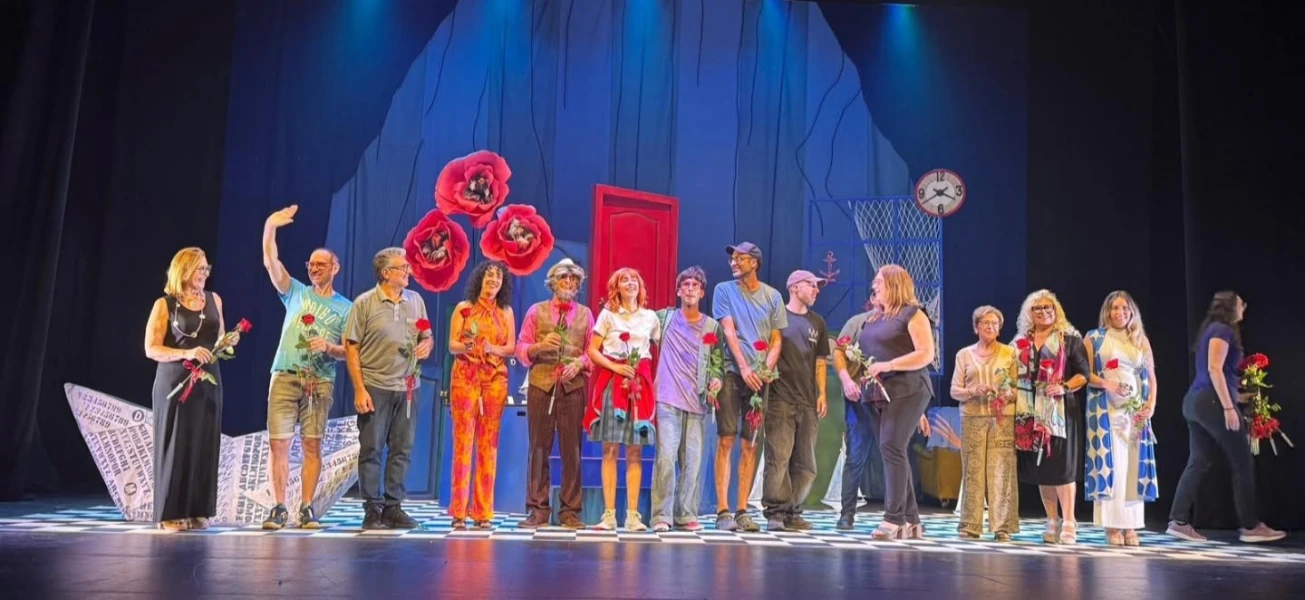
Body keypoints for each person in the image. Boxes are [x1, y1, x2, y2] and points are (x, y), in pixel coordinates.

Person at [259, 206, 352, 530]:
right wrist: (271, 226)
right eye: (310, 264)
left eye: (320, 265)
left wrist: (329, 347)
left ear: (334, 267)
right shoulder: (295, 292)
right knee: (279, 443)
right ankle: (279, 507)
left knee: (312, 443)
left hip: (320, 380)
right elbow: (271, 262)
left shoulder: (345, 307)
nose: (314, 269)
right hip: (285, 374)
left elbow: (349, 353)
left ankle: (307, 507)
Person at [1167, 291, 1286, 543]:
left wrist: (1241, 396)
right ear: (1232, 307)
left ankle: (1178, 520)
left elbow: (1220, 374)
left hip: (1197, 402)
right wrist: (1229, 408)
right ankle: (1250, 527)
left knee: (1199, 461)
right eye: (1241, 302)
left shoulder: (1213, 329)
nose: (1244, 306)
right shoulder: (1223, 330)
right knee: (1242, 461)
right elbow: (1214, 368)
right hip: (1210, 401)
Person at [833, 264, 934, 538]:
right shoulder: (873, 319)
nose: (874, 285)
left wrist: (888, 365)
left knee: (891, 447)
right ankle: (912, 520)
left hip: (910, 388)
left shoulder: (913, 314)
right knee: (893, 449)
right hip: (880, 393)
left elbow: (925, 354)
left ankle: (894, 519)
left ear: (894, 284)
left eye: (879, 281)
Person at [344, 247, 433, 530]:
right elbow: (351, 348)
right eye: (402, 267)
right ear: (386, 273)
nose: (408, 271)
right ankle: (372, 509)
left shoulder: (415, 301)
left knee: (402, 449)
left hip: (408, 388)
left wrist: (426, 345)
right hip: (376, 387)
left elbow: (426, 334)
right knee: (371, 448)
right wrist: (360, 389)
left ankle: (394, 507)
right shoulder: (365, 303)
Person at [144, 247, 225, 531]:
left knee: (204, 442)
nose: (204, 274)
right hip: (175, 382)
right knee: (175, 443)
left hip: (209, 381)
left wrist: (228, 344)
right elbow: (151, 348)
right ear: (184, 270)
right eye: (199, 269)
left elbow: (220, 338)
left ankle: (197, 509)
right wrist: (186, 353)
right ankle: (169, 513)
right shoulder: (165, 305)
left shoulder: (214, 300)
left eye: (206, 269)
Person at [711, 241, 786, 532]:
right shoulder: (723, 290)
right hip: (732, 373)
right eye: (733, 259)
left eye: (740, 259)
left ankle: (742, 509)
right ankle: (722, 511)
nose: (734, 263)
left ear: (754, 263)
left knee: (750, 444)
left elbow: (777, 339)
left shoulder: (773, 296)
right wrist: (743, 366)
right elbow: (729, 330)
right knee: (726, 439)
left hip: (761, 377)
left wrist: (765, 368)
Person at [515, 259, 594, 529]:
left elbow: (591, 352)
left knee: (572, 450)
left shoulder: (586, 314)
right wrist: (539, 346)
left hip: (572, 389)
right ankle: (538, 509)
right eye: (564, 279)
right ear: (553, 282)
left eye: (573, 280)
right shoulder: (536, 312)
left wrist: (579, 364)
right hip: (541, 385)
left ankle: (570, 511)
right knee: (539, 448)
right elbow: (521, 349)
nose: (569, 284)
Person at [584, 268, 661, 530]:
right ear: (616, 287)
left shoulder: (650, 317)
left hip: (639, 387)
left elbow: (661, 349)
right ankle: (608, 514)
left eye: (634, 280)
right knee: (609, 449)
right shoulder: (608, 315)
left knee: (635, 451)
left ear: (640, 287)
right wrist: (616, 367)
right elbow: (592, 351)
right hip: (614, 382)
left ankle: (632, 515)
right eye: (624, 280)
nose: (630, 283)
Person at [1011, 290, 1089, 544]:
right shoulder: (1020, 343)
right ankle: (1052, 519)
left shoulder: (1070, 340)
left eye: (1049, 307)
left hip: (1060, 410)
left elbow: (1083, 375)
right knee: (1041, 468)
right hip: (1029, 411)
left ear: (1056, 311)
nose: (1044, 312)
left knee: (1062, 466)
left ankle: (1069, 520)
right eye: (1038, 308)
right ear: (1029, 313)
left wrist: (1064, 386)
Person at [649, 266, 722, 533]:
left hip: (697, 401)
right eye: (686, 284)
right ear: (679, 290)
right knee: (666, 457)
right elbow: (635, 328)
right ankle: (661, 515)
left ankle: (685, 514)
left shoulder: (711, 326)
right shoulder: (664, 318)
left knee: (692, 461)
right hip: (667, 398)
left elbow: (717, 362)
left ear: (702, 292)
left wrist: (717, 379)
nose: (690, 289)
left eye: (695, 285)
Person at [1083, 291, 1158, 546]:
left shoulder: (1140, 339)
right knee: (1112, 466)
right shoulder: (1094, 338)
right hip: (1107, 412)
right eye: (1115, 308)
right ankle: (1112, 526)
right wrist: (1107, 384)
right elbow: (1086, 374)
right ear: (1107, 312)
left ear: (1131, 312)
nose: (1120, 313)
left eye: (1125, 309)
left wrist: (1151, 404)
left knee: (1134, 468)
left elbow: (1150, 375)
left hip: (1135, 412)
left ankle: (1131, 526)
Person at [446, 261, 516, 529]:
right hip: (465, 379)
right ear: (480, 279)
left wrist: (492, 349)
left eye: (498, 277)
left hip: (494, 381)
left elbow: (510, 347)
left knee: (489, 445)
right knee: (463, 444)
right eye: (489, 276)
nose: (493, 280)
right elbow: (452, 345)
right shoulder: (464, 309)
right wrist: (468, 345)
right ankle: (459, 512)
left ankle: (483, 512)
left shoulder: (506, 312)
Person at [761, 270, 830, 531]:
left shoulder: (818, 323)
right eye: (811, 285)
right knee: (778, 457)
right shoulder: (778, 318)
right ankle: (776, 512)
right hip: (780, 399)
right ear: (794, 287)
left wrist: (822, 393)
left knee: (806, 463)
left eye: (817, 286)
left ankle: (794, 510)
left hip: (808, 401)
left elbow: (820, 361)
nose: (816, 290)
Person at [950, 306, 1019, 541]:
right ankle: (970, 524)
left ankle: (1002, 527)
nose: (991, 327)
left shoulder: (1010, 354)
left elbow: (1021, 390)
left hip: (1002, 419)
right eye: (985, 323)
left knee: (1002, 472)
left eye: (995, 323)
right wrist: (972, 390)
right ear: (975, 327)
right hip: (972, 418)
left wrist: (1007, 393)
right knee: (973, 470)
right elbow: (954, 391)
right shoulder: (964, 355)